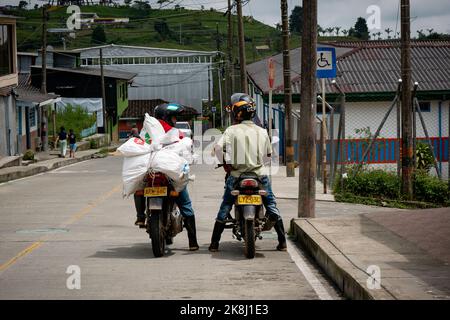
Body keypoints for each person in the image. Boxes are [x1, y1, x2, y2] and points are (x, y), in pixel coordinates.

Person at [208, 93, 287, 252]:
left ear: (237, 114)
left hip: (237, 176)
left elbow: (217, 148)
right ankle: (282, 241)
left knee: (225, 206)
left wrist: (225, 164)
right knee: (271, 205)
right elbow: (268, 156)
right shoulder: (262, 131)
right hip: (259, 176)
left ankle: (214, 243)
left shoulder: (231, 130)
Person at [133, 103, 199, 251]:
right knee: (186, 205)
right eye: (174, 117)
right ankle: (193, 242)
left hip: (150, 174)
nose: (175, 121)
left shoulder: (147, 130)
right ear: (166, 117)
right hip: (169, 176)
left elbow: (139, 147)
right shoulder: (175, 132)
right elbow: (186, 149)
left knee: (138, 187)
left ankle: (140, 216)